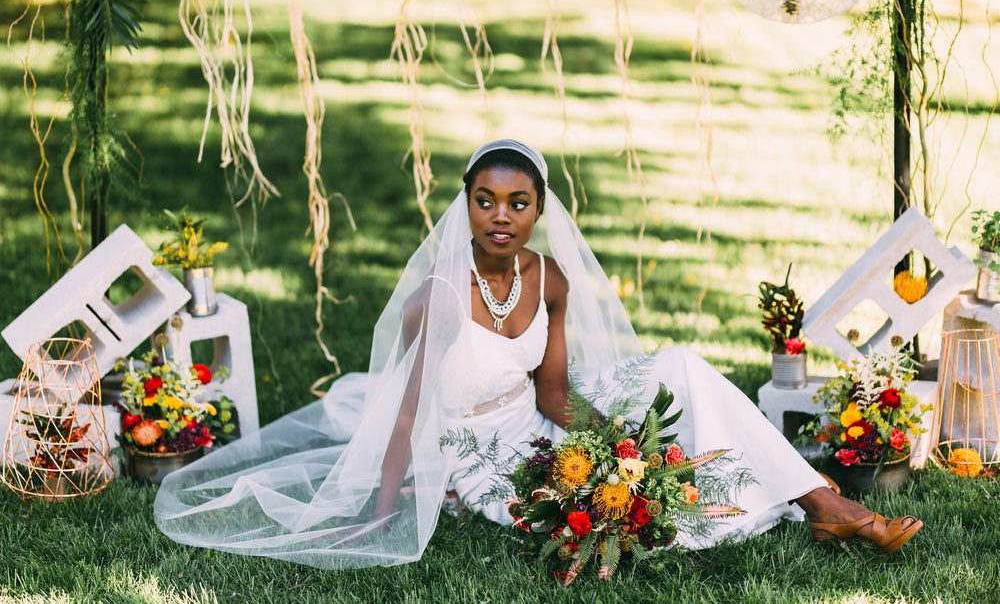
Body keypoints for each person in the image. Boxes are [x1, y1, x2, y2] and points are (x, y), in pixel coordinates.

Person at [154, 139, 922, 569]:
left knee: (681, 369)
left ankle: (819, 501)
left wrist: (619, 436)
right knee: (625, 515)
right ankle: (813, 500)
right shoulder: (439, 299)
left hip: (540, 420)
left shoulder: (547, 277)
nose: (500, 217)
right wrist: (384, 510)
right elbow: (411, 409)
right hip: (481, 455)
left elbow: (554, 393)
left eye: (517, 203)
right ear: (465, 204)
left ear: (538, 210)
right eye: (484, 201)